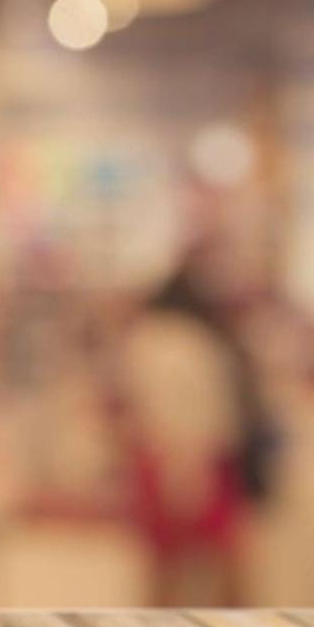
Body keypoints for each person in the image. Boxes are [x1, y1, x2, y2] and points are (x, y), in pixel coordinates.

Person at [117, 260, 276, 607]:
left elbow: (143, 407)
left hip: (164, 456)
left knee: (167, 565)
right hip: (201, 456)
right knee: (223, 562)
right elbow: (205, 410)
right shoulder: (197, 341)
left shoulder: (145, 339)